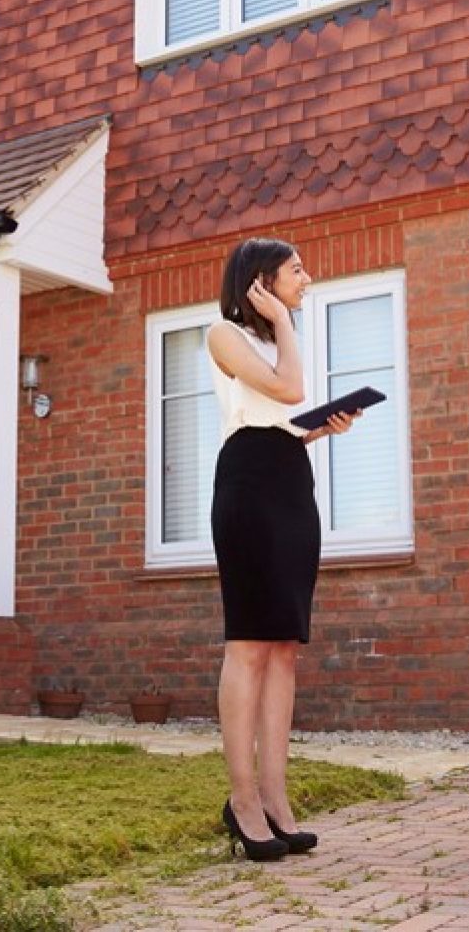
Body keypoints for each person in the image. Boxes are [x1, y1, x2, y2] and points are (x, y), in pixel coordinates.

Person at [206, 237, 360, 862]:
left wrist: (324, 429)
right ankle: (242, 800)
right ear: (261, 281)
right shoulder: (223, 333)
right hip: (245, 485)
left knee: (284, 649)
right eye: (297, 271)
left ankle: (276, 798)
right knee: (248, 642)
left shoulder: (275, 339)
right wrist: (284, 320)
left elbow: (287, 422)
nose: (307, 279)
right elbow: (288, 392)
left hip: (289, 484)